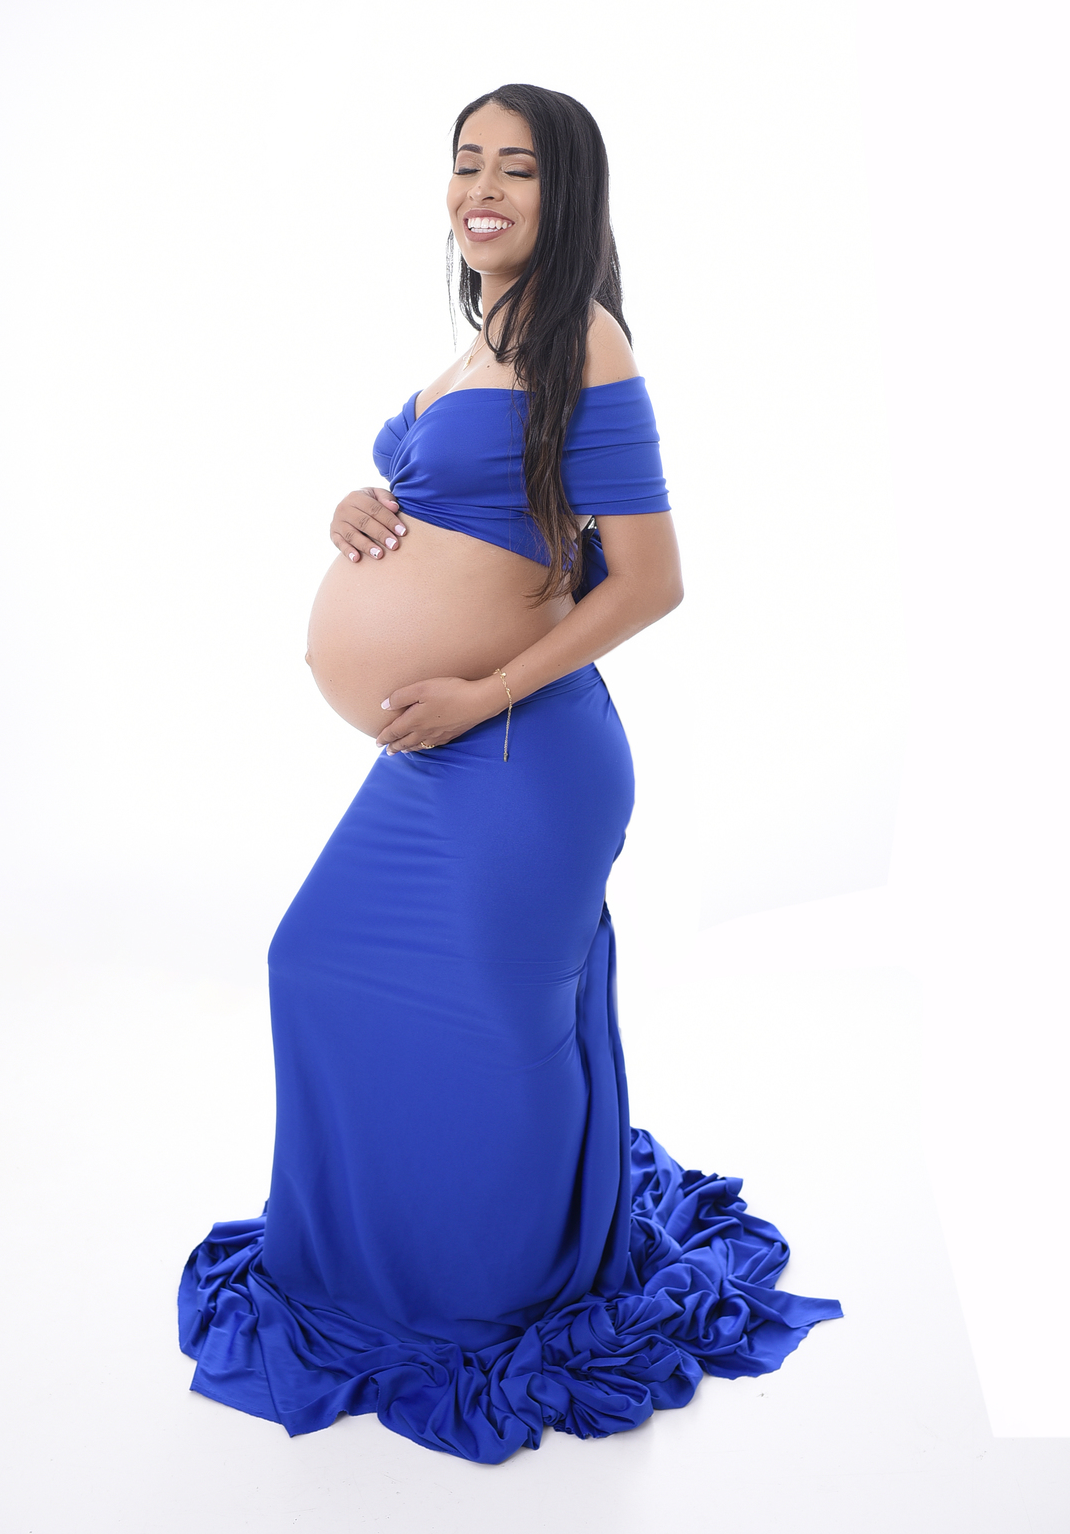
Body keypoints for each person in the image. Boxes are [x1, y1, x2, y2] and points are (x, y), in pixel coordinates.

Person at [178, 84, 842, 1464]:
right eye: (467, 162)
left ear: (567, 194)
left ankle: (504, 1289)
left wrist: (483, 689)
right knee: (317, 961)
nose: (482, 189)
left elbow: (648, 580)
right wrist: (363, 505)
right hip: (442, 758)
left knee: (496, 1019)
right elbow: (483, 515)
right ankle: (384, 1260)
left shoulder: (581, 336)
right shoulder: (487, 331)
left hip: (527, 750)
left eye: (517, 169)